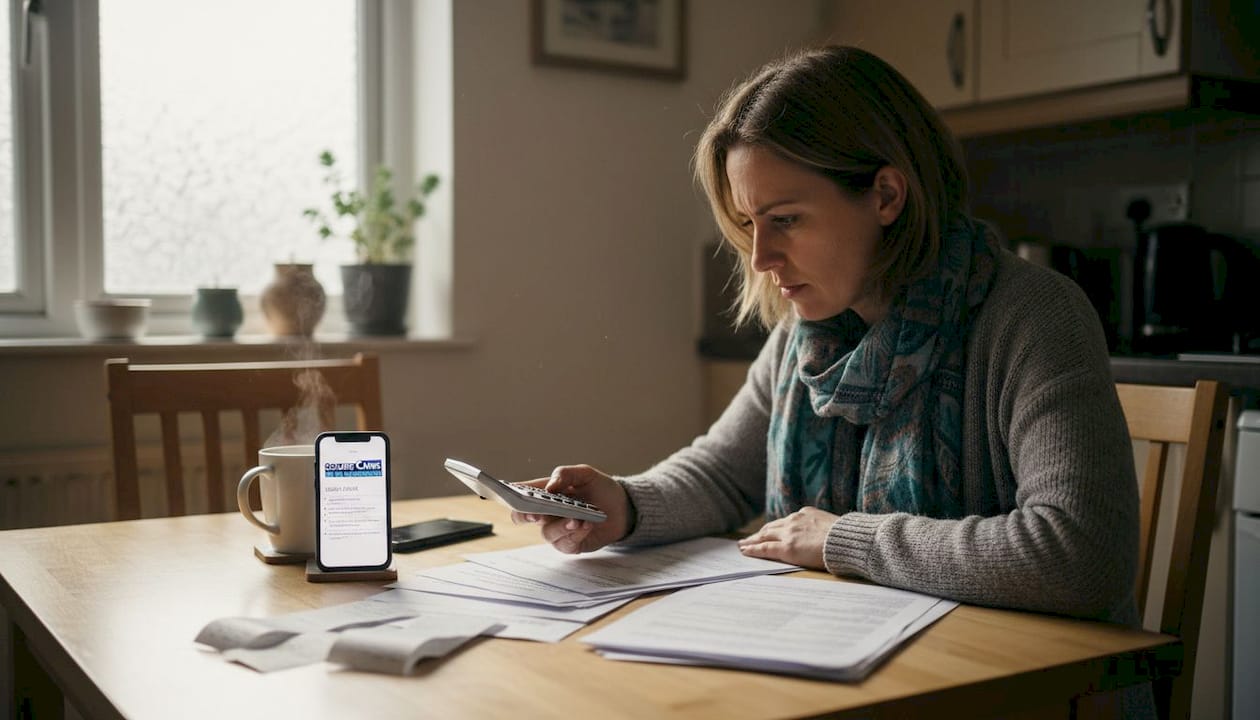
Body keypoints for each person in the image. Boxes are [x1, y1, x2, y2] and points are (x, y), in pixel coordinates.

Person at [516, 45, 1144, 706]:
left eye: (784, 219)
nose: (760, 258)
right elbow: (725, 473)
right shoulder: (808, 335)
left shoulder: (1034, 317)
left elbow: (1082, 554)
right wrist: (624, 504)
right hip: (875, 683)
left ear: (885, 195)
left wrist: (843, 540)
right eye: (749, 223)